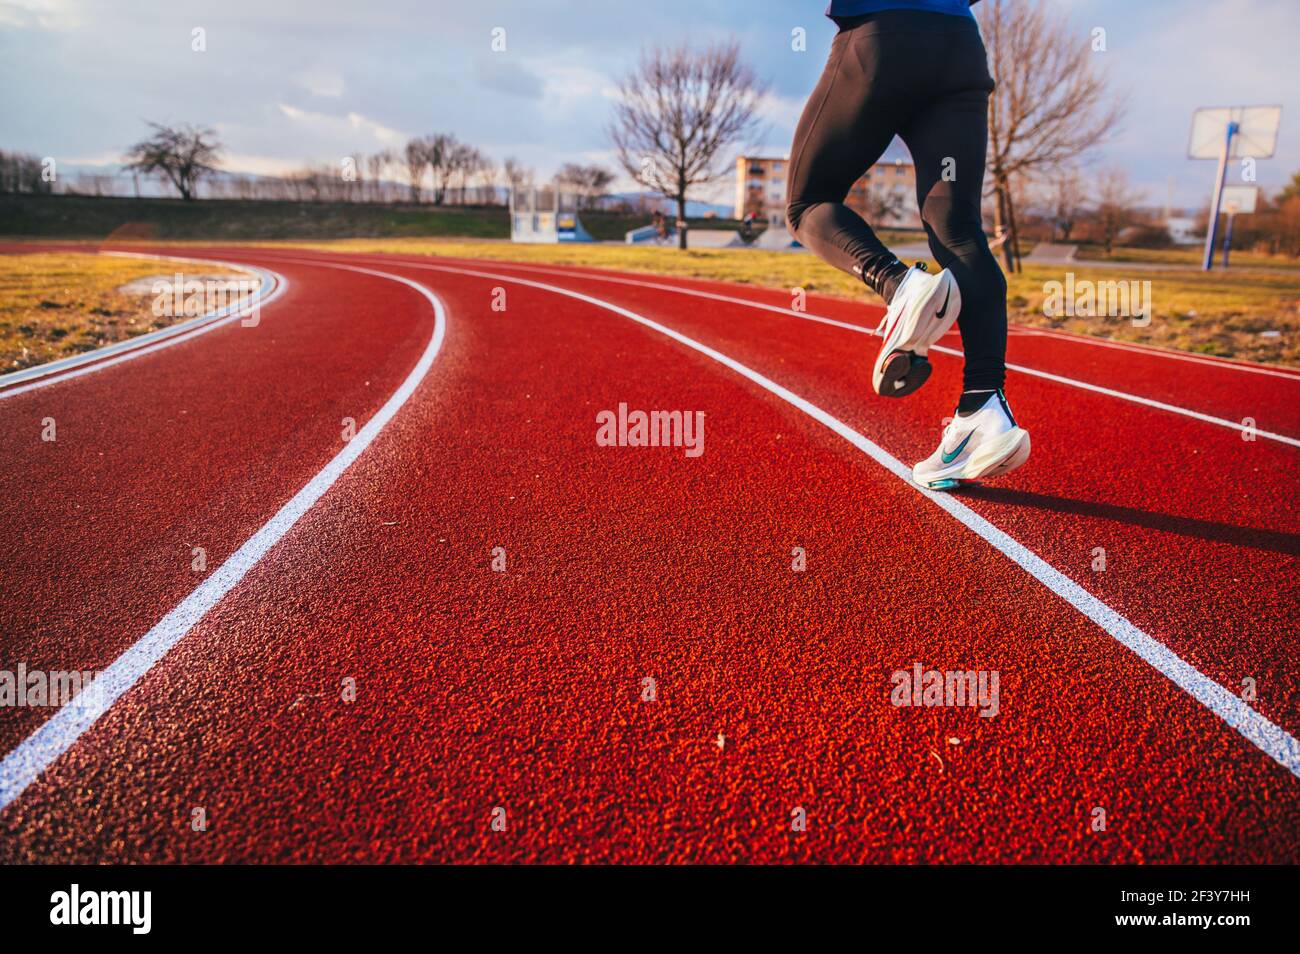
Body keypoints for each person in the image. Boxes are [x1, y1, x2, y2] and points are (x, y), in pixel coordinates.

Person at [786, 0, 1030, 489]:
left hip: (883, 38)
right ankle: (983, 408)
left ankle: (898, 284)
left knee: (807, 203)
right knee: (959, 230)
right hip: (959, 47)